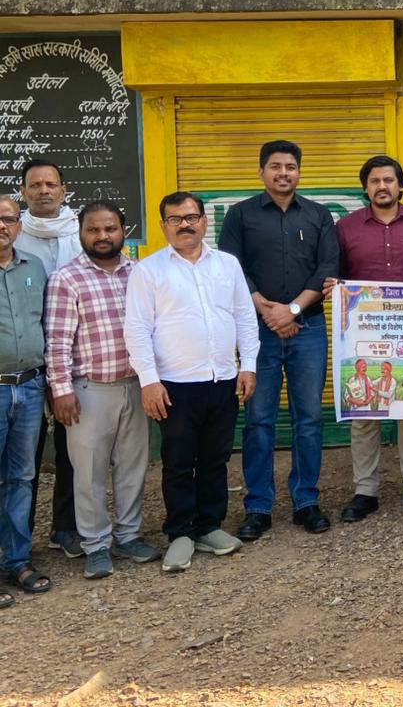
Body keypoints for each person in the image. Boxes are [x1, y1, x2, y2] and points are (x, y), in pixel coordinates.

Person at [124, 192, 259, 574]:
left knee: (216, 459)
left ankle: (209, 526)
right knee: (179, 462)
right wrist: (149, 381)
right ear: (163, 225)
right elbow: (137, 329)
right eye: (175, 219)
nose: (184, 224)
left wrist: (248, 366)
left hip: (222, 378)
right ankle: (181, 532)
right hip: (175, 384)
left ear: (203, 220)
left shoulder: (227, 265)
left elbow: (244, 317)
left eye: (191, 217)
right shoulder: (148, 271)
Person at [220, 140, 339, 541]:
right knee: (258, 419)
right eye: (275, 166)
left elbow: (327, 268)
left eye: (290, 166)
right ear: (261, 172)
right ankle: (258, 506)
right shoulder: (240, 215)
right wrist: (268, 311)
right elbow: (232, 269)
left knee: (309, 418)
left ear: (299, 171)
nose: (283, 173)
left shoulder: (319, 215)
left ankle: (306, 501)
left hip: (308, 328)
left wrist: (291, 310)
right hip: (257, 331)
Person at [43, 202, 161, 580]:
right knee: (88, 473)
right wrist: (62, 390)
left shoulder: (140, 273)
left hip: (135, 385)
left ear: (124, 230)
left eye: (110, 228)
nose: (102, 236)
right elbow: (57, 342)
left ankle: (128, 536)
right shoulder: (66, 279)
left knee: (132, 468)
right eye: (93, 230)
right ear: (81, 233)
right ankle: (95, 545)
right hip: (89, 390)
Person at [327, 154, 403, 523]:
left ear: (400, 185)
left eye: (388, 180)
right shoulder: (346, 228)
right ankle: (365, 490)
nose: (382, 186)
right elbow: (337, 278)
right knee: (364, 412)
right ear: (365, 188)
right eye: (374, 181)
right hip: (364, 334)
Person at [15, 157, 80, 559]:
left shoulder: (81, 231)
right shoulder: (13, 234)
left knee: (72, 447)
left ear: (63, 190)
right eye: (35, 185)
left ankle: (66, 528)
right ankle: (17, 536)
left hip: (76, 356)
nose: (43, 191)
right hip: (27, 360)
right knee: (25, 454)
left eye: (50, 184)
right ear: (23, 192)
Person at [0, 194, 51, 605]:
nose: (2, 226)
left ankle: (16, 560)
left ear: (19, 225)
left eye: (8, 219)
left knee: (21, 478)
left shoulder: (34, 267)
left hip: (30, 387)